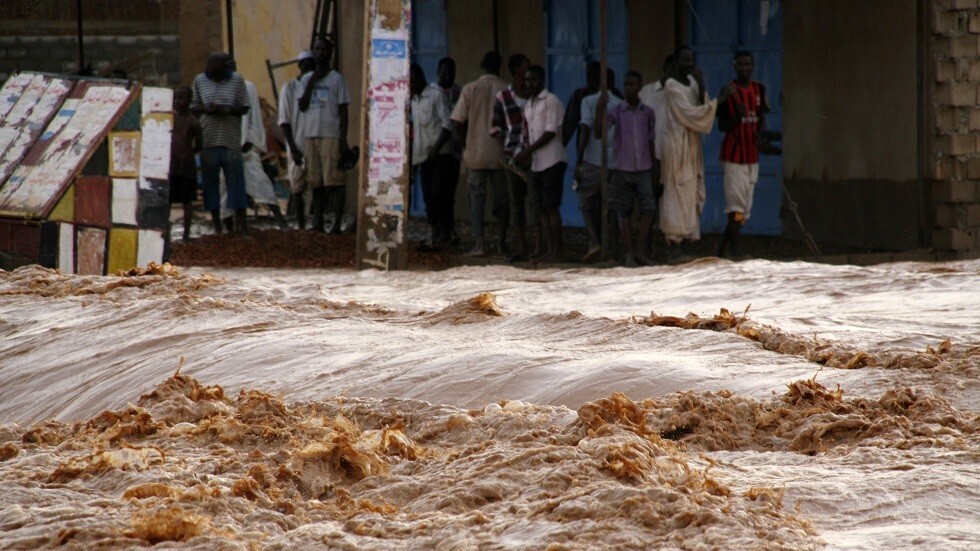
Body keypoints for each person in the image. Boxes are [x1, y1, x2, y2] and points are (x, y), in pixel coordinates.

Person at [659, 46, 734, 262]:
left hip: (691, 145)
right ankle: (673, 244)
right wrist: (719, 100)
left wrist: (701, 83)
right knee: (676, 191)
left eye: (692, 60)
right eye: (685, 60)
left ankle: (684, 242)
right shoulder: (671, 86)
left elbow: (702, 104)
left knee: (691, 191)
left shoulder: (692, 82)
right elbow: (691, 114)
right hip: (677, 144)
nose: (689, 64)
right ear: (676, 62)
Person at [450, 51, 509, 257]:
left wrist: (466, 141)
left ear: (482, 66)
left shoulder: (470, 89)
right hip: (500, 155)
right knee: (502, 201)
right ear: (499, 67)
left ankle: (479, 244)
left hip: (474, 154)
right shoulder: (505, 89)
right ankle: (501, 244)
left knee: (476, 201)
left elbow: (457, 121)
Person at [598, 71, 658, 267]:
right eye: (626, 84)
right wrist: (600, 109)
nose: (628, 88)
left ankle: (640, 250)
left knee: (648, 208)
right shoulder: (616, 111)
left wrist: (654, 169)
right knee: (624, 211)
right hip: (622, 168)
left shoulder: (647, 112)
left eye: (632, 84)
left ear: (640, 88)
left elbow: (651, 141)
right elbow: (600, 133)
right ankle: (629, 254)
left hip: (643, 168)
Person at [716, 50, 770, 259]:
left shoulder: (759, 89)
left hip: (751, 154)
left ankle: (720, 251)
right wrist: (736, 118)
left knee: (744, 210)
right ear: (735, 66)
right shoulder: (728, 91)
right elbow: (721, 125)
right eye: (741, 65)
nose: (745, 68)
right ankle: (735, 251)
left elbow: (762, 117)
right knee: (736, 206)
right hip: (733, 155)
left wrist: (761, 136)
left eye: (748, 64)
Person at [190, 53, 250, 235]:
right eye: (212, 73)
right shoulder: (200, 80)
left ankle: (243, 228)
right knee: (210, 187)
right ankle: (217, 228)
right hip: (208, 140)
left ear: (225, 68)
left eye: (218, 73)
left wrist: (227, 109)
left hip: (231, 140)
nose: (215, 77)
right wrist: (205, 108)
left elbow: (245, 107)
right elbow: (193, 107)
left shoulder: (237, 80)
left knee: (237, 186)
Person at [298, 38, 352, 234]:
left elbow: (344, 110)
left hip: (330, 135)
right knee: (315, 182)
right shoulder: (305, 79)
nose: (320, 53)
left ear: (330, 53)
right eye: (317, 49)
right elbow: (302, 105)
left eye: (324, 50)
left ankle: (337, 224)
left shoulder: (337, 79)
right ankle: (318, 223)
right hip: (311, 135)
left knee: (336, 181)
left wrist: (343, 139)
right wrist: (313, 79)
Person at [228, 58, 289, 231]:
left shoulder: (246, 87)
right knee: (235, 188)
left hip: (246, 146)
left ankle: (281, 222)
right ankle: (241, 227)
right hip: (231, 147)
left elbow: (246, 118)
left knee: (261, 183)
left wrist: (243, 143)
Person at [515, 65, 567, 263]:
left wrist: (528, 150)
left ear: (542, 80)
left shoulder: (551, 101)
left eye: (533, 80)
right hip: (537, 163)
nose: (529, 84)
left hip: (553, 160)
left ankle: (558, 250)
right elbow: (530, 132)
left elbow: (550, 131)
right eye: (527, 80)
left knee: (551, 207)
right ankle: (549, 249)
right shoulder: (529, 105)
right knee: (542, 209)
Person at [490, 53, 535, 262]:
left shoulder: (536, 96)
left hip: (535, 156)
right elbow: (496, 127)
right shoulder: (502, 98)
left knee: (536, 202)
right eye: (526, 67)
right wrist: (504, 153)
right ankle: (522, 245)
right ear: (518, 70)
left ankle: (539, 245)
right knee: (516, 204)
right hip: (513, 158)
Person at [576, 68, 620, 262]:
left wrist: (578, 161)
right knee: (610, 207)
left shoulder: (587, 101)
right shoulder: (620, 104)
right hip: (614, 162)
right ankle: (610, 249)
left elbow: (586, 129)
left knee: (585, 203)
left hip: (593, 160)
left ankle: (594, 241)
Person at [410, 63, 454, 248]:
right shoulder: (413, 100)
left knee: (439, 195)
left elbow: (448, 124)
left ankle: (446, 233)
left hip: (441, 155)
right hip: (423, 157)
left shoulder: (436, 95)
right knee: (428, 196)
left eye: (410, 80)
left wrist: (436, 147)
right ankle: (435, 233)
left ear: (419, 78)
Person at [279, 50, 317, 229]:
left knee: (316, 186)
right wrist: (293, 149)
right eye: (305, 63)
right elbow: (284, 121)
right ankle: (301, 224)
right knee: (297, 188)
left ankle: (315, 223)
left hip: (314, 143)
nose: (308, 67)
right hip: (297, 144)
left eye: (312, 63)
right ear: (299, 66)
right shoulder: (289, 88)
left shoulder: (317, 86)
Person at [434, 57, 463, 245]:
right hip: (436, 150)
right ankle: (438, 229)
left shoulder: (460, 93)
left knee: (449, 192)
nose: (448, 76)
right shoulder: (432, 93)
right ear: (438, 72)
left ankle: (449, 228)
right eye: (444, 72)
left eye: (451, 72)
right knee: (436, 193)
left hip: (454, 150)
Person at [639, 54, 675, 201]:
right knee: (650, 197)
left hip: (674, 155)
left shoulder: (683, 93)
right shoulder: (647, 92)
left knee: (671, 199)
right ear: (665, 69)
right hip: (650, 155)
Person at [169, 86, 202, 243]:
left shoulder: (193, 122)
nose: (177, 101)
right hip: (170, 167)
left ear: (189, 100)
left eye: (181, 98)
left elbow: (200, 144)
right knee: (167, 200)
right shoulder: (169, 119)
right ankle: (165, 233)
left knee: (187, 201)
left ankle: (186, 235)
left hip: (186, 166)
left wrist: (188, 154)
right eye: (175, 98)